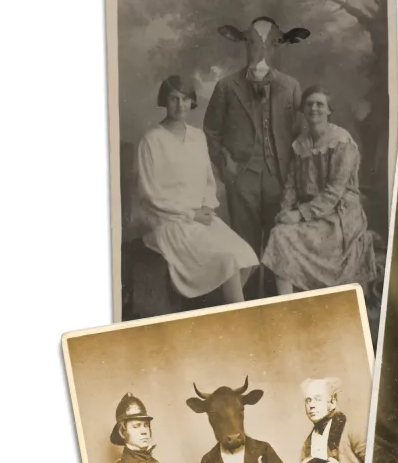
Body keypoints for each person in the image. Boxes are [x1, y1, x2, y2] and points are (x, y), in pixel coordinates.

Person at [137, 75, 258, 305]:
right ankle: (239, 319)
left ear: (192, 102)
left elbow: (207, 181)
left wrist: (206, 206)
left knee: (245, 255)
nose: (180, 105)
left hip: (200, 218)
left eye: (185, 99)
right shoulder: (151, 140)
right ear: (165, 100)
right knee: (227, 260)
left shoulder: (197, 137)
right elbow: (150, 195)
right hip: (169, 222)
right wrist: (190, 214)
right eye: (174, 99)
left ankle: (221, 312)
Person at [203, 18, 307, 262]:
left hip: (280, 177)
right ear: (245, 44)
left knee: (278, 246)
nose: (260, 51)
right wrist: (226, 168)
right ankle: (247, 298)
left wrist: (295, 175)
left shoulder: (291, 86)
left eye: (270, 44)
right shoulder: (226, 87)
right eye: (252, 42)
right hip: (241, 177)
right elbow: (211, 130)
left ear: (277, 46)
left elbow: (301, 132)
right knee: (244, 247)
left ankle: (274, 299)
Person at [261, 86, 379, 296]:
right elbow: (291, 185)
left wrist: (299, 214)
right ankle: (285, 305)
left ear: (329, 110)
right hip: (312, 213)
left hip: (339, 215)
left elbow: (334, 191)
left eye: (319, 104)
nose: (314, 108)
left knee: (282, 236)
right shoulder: (301, 143)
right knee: (279, 231)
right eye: (309, 104)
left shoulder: (342, 142)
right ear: (303, 109)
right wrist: (285, 211)